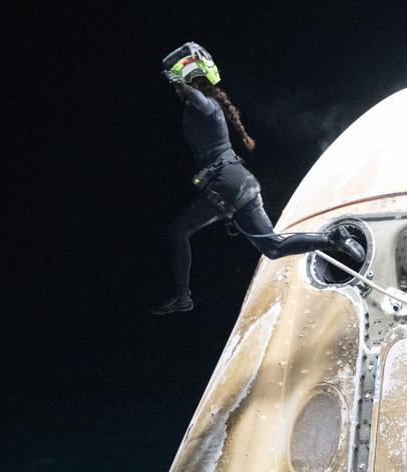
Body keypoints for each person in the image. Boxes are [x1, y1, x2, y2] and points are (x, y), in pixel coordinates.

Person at [153, 43, 363, 315]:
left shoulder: (208, 106)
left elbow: (197, 99)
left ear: (195, 82)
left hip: (226, 184)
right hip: (241, 184)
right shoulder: (210, 107)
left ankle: (182, 297)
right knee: (273, 247)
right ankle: (334, 239)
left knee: (178, 232)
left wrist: (179, 83)